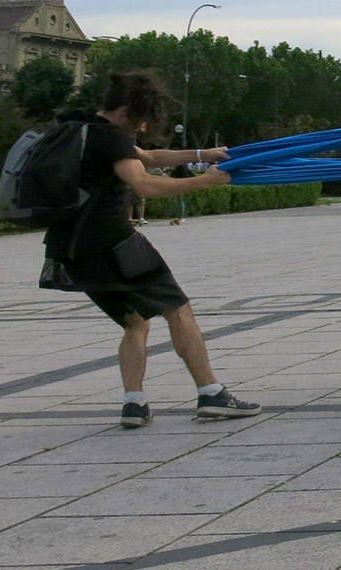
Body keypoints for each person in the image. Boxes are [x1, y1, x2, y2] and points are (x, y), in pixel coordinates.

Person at [39, 71, 260, 428]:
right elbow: (143, 183)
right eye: (141, 119)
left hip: (69, 250)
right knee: (179, 309)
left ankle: (134, 403)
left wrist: (202, 153)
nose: (143, 126)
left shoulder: (81, 129)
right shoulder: (112, 140)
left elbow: (147, 156)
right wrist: (204, 181)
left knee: (135, 322)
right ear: (127, 111)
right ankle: (210, 393)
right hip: (114, 243)